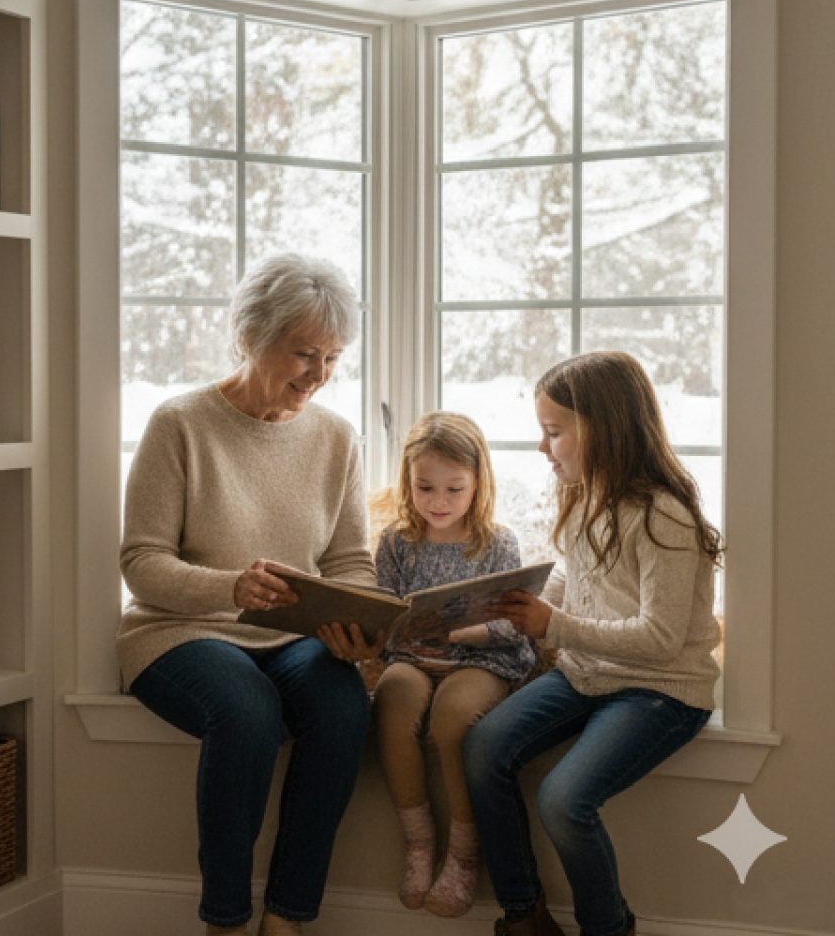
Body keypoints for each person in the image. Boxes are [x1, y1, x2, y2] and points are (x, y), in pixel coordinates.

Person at [119, 255, 378, 936]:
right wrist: (229, 588)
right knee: (248, 712)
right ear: (251, 336)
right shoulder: (178, 423)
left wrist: (354, 615)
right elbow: (142, 564)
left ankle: (287, 919)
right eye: (303, 353)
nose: (318, 375)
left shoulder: (337, 438)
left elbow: (351, 558)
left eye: (333, 357)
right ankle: (226, 921)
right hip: (180, 631)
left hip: (292, 638)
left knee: (344, 709)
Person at [466, 352, 722, 936]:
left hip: (660, 691)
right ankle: (523, 914)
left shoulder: (665, 515)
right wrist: (494, 611)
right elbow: (566, 586)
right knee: (484, 747)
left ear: (602, 428)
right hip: (588, 674)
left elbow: (659, 641)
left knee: (564, 801)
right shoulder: (585, 497)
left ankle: (608, 929)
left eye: (553, 433)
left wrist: (552, 625)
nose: (542, 448)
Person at [373, 412, 536, 917]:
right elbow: (383, 609)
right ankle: (419, 843)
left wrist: (469, 629)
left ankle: (464, 853)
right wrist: (389, 630)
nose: (438, 502)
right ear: (408, 481)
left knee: (453, 718)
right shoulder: (396, 543)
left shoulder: (497, 543)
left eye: (454, 489)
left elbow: (518, 623)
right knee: (394, 702)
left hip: (483, 658)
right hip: (413, 657)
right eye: (424, 487)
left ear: (478, 483)